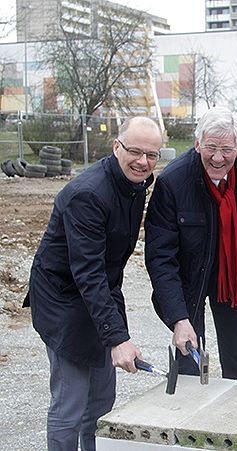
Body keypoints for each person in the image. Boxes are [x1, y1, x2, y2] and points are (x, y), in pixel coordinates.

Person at [24, 117, 163, 451]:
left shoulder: (134, 185)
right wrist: (116, 338)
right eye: (134, 151)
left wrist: (115, 334)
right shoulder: (87, 194)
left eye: (152, 154)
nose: (143, 161)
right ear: (116, 146)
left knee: (101, 399)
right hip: (62, 299)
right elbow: (88, 271)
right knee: (70, 402)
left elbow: (106, 271)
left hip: (99, 293)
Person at [145, 107, 237, 379]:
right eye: (210, 147)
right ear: (197, 144)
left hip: (231, 277)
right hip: (189, 275)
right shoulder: (173, 181)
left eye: (227, 149)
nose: (218, 158)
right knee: (189, 359)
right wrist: (178, 318)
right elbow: (161, 257)